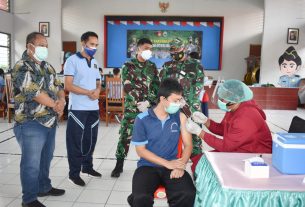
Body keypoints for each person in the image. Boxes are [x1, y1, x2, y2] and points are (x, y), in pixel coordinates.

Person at [12, 32, 65, 207]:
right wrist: (55, 105)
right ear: (30, 47)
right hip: (30, 122)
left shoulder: (47, 66)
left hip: (49, 121)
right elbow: (33, 92)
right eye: (41, 45)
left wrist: (62, 100)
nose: (45, 49)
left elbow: (59, 86)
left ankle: (44, 186)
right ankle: (29, 199)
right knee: (31, 163)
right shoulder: (21, 66)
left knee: (46, 158)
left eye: (46, 45)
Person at [127, 78, 196, 207]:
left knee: (188, 193)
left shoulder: (180, 117)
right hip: (147, 166)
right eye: (175, 100)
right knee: (140, 197)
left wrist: (181, 164)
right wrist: (167, 163)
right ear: (163, 99)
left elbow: (188, 145)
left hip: (173, 165)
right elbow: (141, 151)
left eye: (180, 100)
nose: (179, 104)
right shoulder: (142, 119)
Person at [186, 79, 272, 173]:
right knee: (200, 160)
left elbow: (226, 147)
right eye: (221, 97)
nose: (221, 101)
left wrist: (199, 132)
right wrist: (206, 121)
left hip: (255, 154)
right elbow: (223, 129)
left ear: (235, 98)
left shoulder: (246, 116)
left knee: (203, 165)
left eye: (224, 98)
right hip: (240, 147)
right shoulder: (232, 108)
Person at [111, 38, 160, 178]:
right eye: (146, 48)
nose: (148, 51)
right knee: (125, 136)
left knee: (150, 137)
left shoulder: (152, 66)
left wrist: (149, 103)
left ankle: (148, 164)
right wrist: (138, 102)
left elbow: (156, 87)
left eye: (150, 48)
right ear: (138, 49)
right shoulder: (128, 65)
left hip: (148, 109)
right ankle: (119, 165)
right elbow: (127, 86)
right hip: (132, 108)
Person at [160, 37, 205, 168]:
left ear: (184, 49)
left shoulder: (196, 66)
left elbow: (198, 86)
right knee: (170, 138)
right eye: (172, 50)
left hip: (190, 109)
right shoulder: (167, 66)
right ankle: (171, 167)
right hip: (172, 109)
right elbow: (163, 86)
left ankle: (198, 170)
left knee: (195, 142)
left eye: (177, 49)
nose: (174, 53)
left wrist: (185, 100)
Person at [64, 31, 102, 186]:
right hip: (78, 108)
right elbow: (68, 85)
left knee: (90, 139)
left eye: (96, 45)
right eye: (92, 44)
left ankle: (87, 167)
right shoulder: (72, 61)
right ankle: (74, 174)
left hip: (93, 107)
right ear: (83, 43)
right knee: (75, 141)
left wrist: (98, 91)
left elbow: (98, 82)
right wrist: (88, 92)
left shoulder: (95, 62)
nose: (94, 47)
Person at [189, 52, 209, 117]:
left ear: (191, 57)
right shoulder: (200, 65)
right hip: (198, 92)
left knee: (193, 111)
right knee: (197, 111)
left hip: (192, 92)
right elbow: (202, 79)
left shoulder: (192, 65)